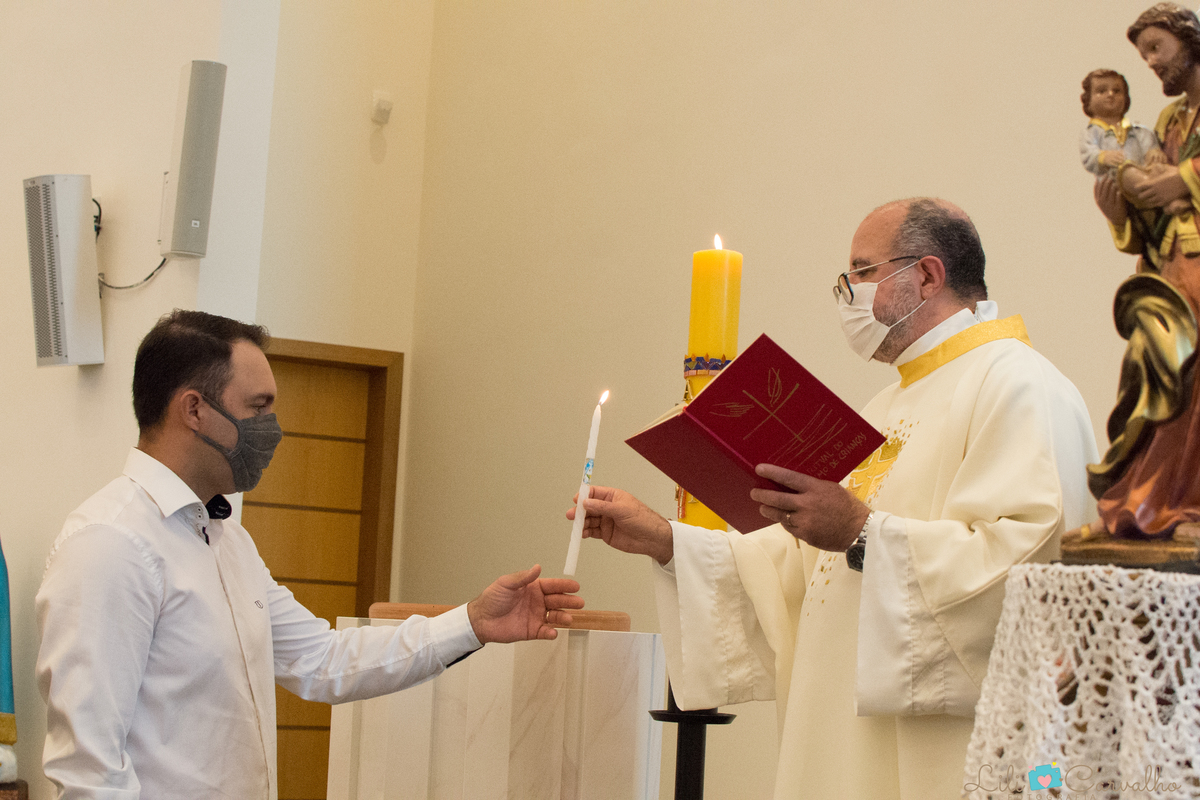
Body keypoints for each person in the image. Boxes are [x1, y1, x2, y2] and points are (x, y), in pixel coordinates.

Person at [569, 198, 1097, 799]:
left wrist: (863, 533)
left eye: (863, 272)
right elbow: (807, 571)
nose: (847, 294)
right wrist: (668, 541)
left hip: (943, 759)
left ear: (928, 275)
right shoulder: (886, 406)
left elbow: (1030, 573)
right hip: (839, 740)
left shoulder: (1019, 384)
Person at [36, 310, 584, 800]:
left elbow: (323, 661)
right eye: (258, 407)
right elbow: (89, 769)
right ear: (194, 409)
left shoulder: (227, 539)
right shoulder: (111, 543)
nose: (272, 428)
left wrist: (472, 622)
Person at [1090, 3, 1200, 537]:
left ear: (1189, 40)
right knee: (1152, 369)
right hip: (1170, 267)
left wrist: (1185, 179)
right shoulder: (1169, 122)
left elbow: (1175, 183)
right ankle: (1143, 501)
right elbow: (1155, 209)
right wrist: (1122, 216)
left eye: (1157, 48)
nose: (1151, 62)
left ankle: (1190, 506)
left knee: (1193, 376)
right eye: (1144, 54)